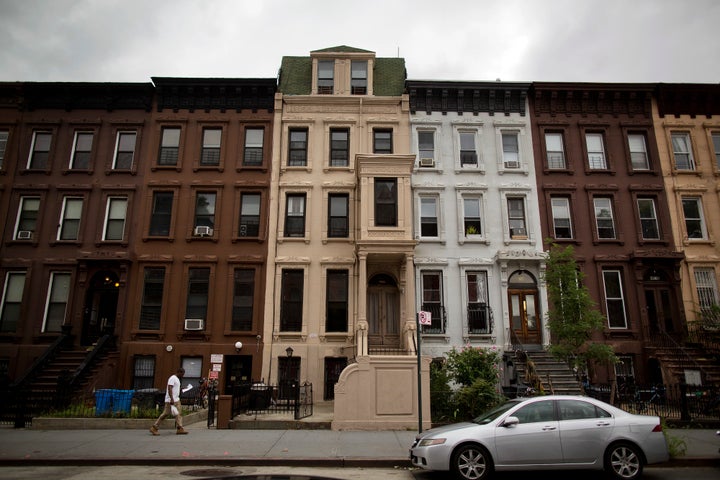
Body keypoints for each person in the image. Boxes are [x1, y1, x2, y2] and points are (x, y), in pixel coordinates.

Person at [149, 367, 188, 435]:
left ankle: (180, 428)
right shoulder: (172, 378)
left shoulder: (177, 379)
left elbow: (175, 388)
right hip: (171, 400)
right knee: (165, 414)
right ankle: (154, 427)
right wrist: (171, 399)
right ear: (179, 372)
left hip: (176, 399)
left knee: (178, 414)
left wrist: (182, 388)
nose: (183, 376)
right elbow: (170, 388)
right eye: (182, 374)